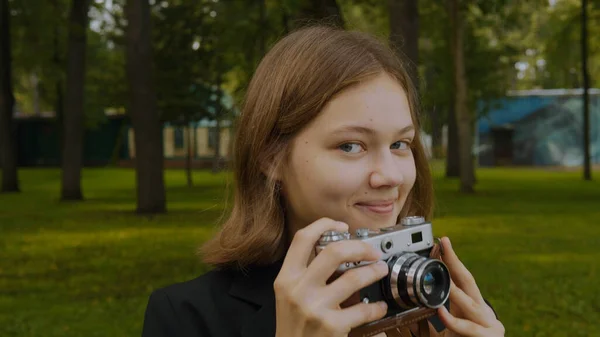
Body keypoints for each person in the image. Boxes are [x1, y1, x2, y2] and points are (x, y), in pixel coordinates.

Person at [141, 25, 505, 337]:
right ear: (271, 156)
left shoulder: (444, 300)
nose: (391, 176)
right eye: (350, 146)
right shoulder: (187, 318)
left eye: (400, 144)